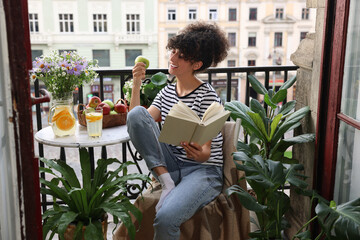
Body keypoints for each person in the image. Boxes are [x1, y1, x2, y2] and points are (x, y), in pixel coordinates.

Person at [126, 21, 229, 240]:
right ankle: (166, 182)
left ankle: (169, 184)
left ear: (196, 64)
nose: (172, 58)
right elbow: (139, 120)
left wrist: (198, 153)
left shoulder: (207, 95)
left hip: (203, 170)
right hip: (172, 164)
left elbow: (206, 152)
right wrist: (136, 83)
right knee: (136, 114)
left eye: (180, 56)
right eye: (173, 51)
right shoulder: (166, 92)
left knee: (165, 219)